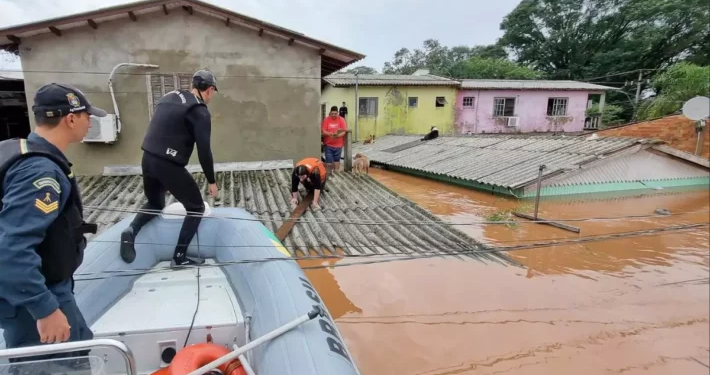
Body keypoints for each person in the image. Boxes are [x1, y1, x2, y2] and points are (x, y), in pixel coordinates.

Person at [0, 83, 104, 370]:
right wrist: (44, 309)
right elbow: (11, 248)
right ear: (70, 119)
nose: (90, 121)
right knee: (58, 366)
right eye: (87, 116)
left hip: (42, 289)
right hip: (35, 298)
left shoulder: (23, 152)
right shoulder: (39, 172)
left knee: (79, 349)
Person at [120, 70, 219, 267]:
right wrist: (211, 180)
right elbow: (204, 151)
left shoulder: (170, 96)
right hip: (168, 164)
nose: (212, 95)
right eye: (213, 91)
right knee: (196, 207)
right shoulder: (199, 111)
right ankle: (179, 256)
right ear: (209, 90)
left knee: (156, 203)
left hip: (147, 158)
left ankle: (131, 230)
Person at [321, 106, 347, 174]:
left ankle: (336, 173)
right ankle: (329, 174)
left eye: (335, 113)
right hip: (328, 144)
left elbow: (344, 131)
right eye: (332, 113)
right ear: (330, 113)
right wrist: (330, 134)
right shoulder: (327, 119)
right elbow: (323, 131)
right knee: (328, 161)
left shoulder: (341, 119)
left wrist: (338, 135)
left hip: (338, 145)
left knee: (337, 160)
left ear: (337, 113)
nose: (334, 115)